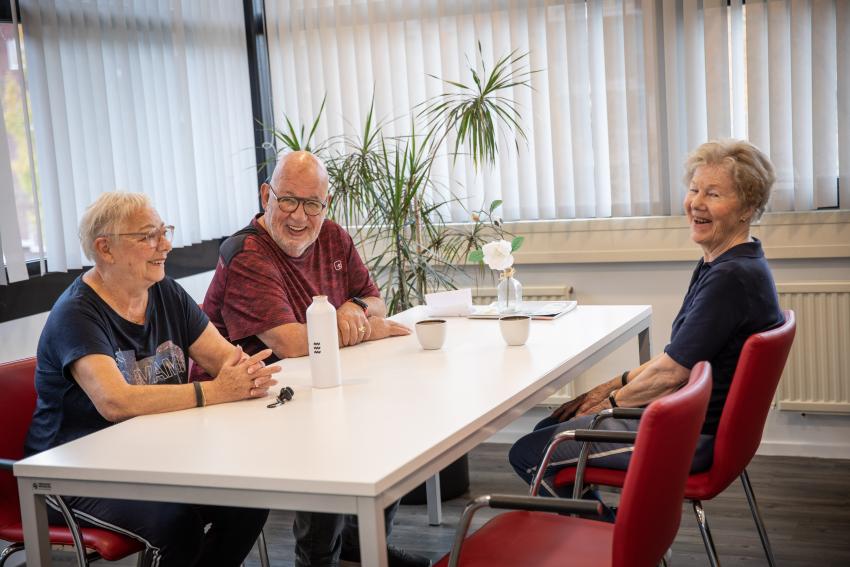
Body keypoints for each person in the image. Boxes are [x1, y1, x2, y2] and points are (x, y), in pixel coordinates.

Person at [509, 139, 784, 499]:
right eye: (694, 189)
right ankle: (602, 533)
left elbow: (671, 376)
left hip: (689, 435)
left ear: (747, 208)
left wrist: (609, 405)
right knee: (553, 425)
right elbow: (676, 357)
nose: (696, 203)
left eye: (714, 194)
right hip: (689, 420)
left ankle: (607, 543)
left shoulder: (731, 278)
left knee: (532, 453)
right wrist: (607, 389)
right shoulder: (727, 263)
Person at [193, 151, 428, 567]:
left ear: (326, 204)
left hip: (308, 384)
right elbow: (292, 343)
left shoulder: (334, 236)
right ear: (266, 195)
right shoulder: (247, 252)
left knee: (388, 424)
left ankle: (359, 552)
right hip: (243, 402)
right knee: (329, 444)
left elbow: (375, 300)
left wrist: (355, 307)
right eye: (288, 200)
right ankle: (318, 560)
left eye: (312, 204)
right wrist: (365, 327)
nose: (300, 216)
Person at [25, 192, 280, 567]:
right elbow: (116, 402)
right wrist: (216, 390)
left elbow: (226, 359)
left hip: (152, 459)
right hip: (72, 475)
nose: (164, 245)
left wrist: (246, 376)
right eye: (147, 236)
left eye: (164, 232)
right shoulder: (76, 314)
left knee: (249, 500)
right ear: (105, 248)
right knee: (176, 525)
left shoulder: (164, 291)